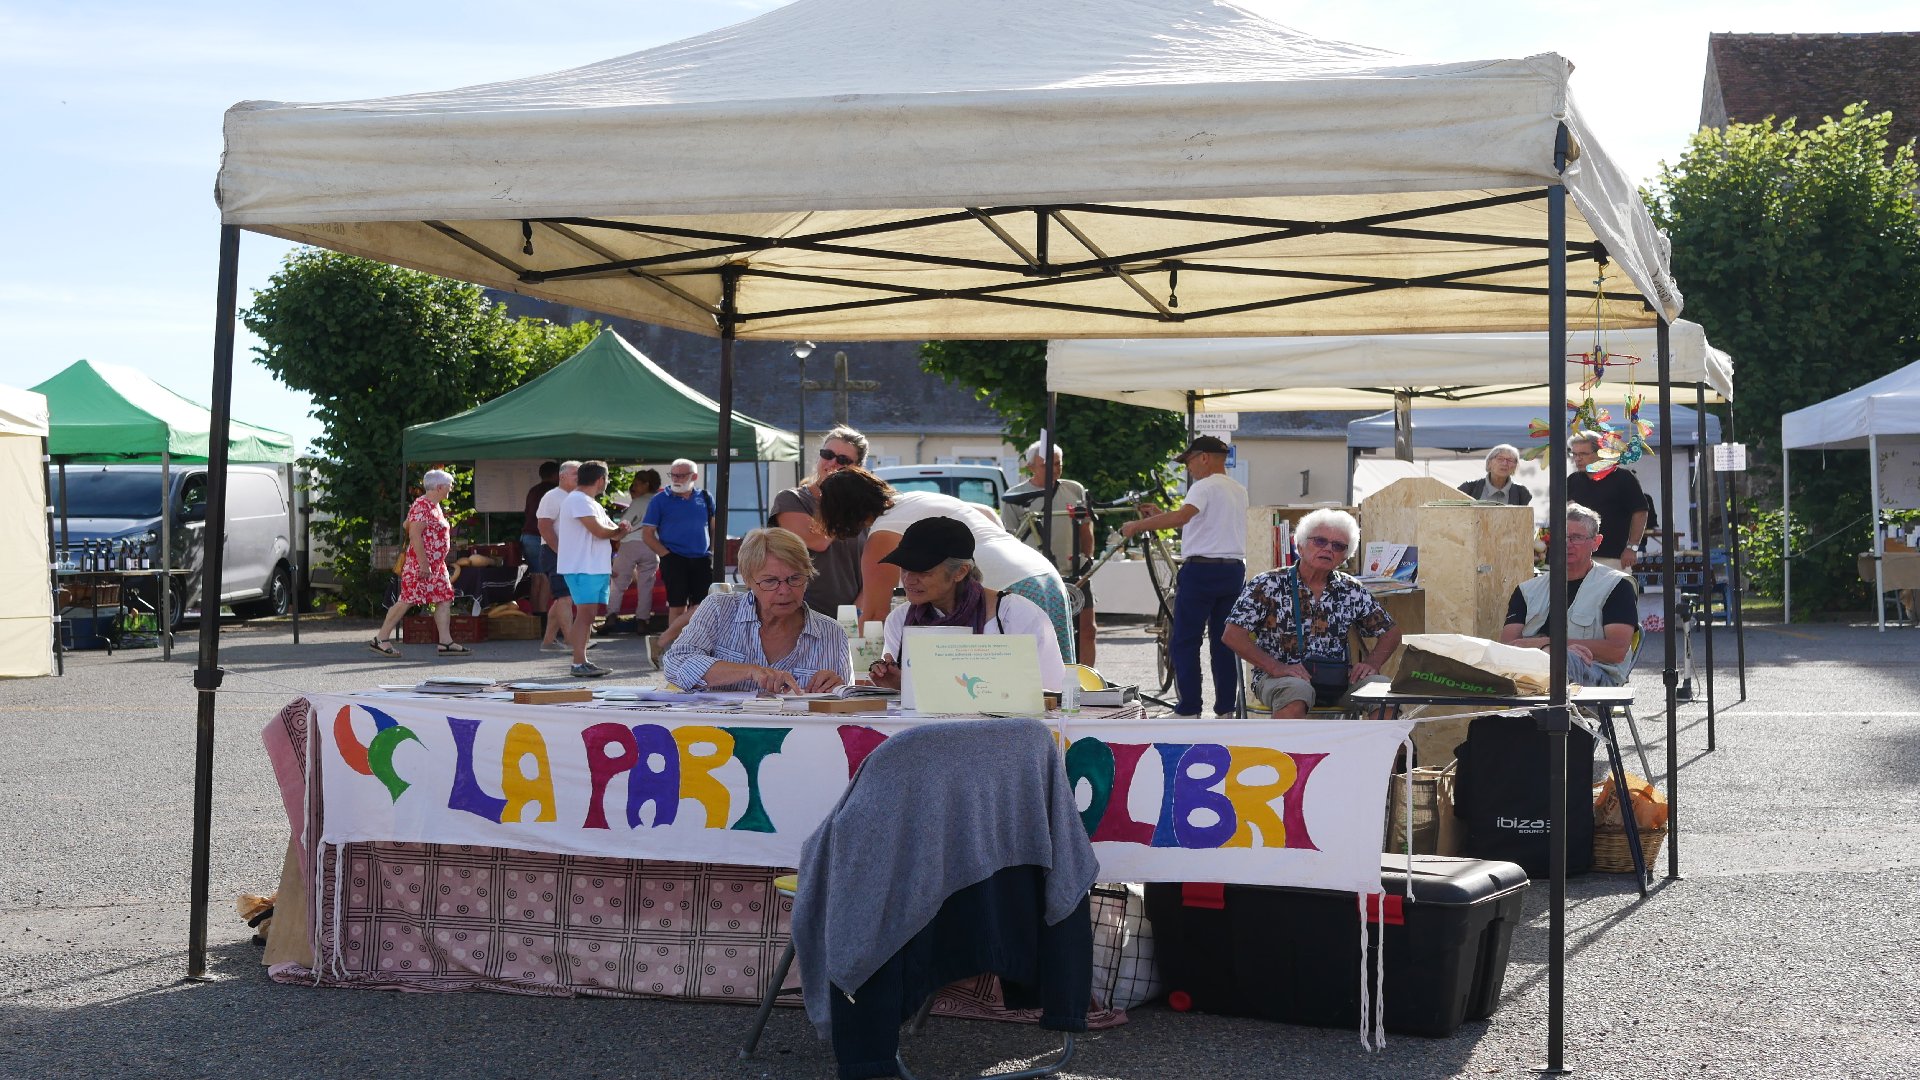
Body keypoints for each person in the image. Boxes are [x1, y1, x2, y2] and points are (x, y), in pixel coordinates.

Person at [817, 466, 1073, 663]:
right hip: (1045, 575)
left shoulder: (882, 536)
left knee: (1021, 686)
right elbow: (986, 512)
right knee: (1060, 686)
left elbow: (874, 617)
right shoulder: (917, 499)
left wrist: (853, 664)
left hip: (1009, 585)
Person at [1224, 509, 1400, 717]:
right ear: (1300, 546)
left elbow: (1391, 632)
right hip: (1280, 678)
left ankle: (1378, 741)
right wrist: (1275, 667)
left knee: (1383, 692)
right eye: (1320, 541)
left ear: (1344, 556)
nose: (1328, 549)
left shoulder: (1351, 589)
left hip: (1337, 681)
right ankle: (1285, 741)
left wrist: (1372, 664)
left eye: (1338, 546)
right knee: (1296, 691)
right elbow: (1232, 635)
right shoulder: (1268, 584)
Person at [1119, 436, 1248, 718]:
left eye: (1189, 461)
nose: (1188, 468)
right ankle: (1226, 709)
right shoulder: (1238, 490)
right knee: (1224, 643)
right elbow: (1200, 525)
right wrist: (1161, 516)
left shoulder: (1203, 486)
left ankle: (1189, 708)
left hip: (1201, 571)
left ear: (1204, 457)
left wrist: (1138, 525)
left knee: (1186, 641)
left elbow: (1182, 518)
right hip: (1233, 570)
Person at [864, 516, 1066, 694]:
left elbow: (1051, 694)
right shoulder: (899, 620)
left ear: (960, 572)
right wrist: (896, 685)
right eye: (904, 569)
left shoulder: (1015, 615)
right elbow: (903, 698)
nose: (909, 580)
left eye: (922, 571)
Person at [662, 527, 850, 693]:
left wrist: (837, 689)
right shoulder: (719, 609)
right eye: (770, 581)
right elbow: (676, 662)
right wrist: (749, 671)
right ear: (748, 580)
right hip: (721, 723)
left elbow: (846, 708)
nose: (784, 591)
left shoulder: (831, 633)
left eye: (795, 578)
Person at [1501, 502, 1639, 687]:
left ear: (1596, 542)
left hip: (1597, 675)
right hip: (1532, 672)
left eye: (1576, 537)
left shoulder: (1616, 585)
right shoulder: (1527, 590)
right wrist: (1549, 648)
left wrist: (1551, 645)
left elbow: (1616, 651)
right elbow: (1507, 647)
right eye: (1561, 536)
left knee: (1561, 660)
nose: (1567, 543)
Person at [1001, 437, 1099, 664]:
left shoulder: (1074, 489)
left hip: (1075, 569)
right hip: (1037, 575)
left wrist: (1088, 558)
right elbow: (1008, 539)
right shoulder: (1015, 496)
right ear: (1031, 466)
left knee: (1088, 629)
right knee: (1044, 631)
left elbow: (1086, 528)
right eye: (1047, 465)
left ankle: (1086, 679)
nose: (1054, 469)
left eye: (1058, 464)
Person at [370, 469, 473, 657]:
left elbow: (406, 524)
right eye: (449, 486)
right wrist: (424, 564)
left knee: (444, 599)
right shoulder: (422, 505)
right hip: (421, 565)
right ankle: (381, 639)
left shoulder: (432, 505)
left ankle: (446, 642)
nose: (450, 489)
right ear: (439, 487)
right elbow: (414, 535)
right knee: (407, 600)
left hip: (436, 566)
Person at [770, 425, 869, 616]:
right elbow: (819, 541)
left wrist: (854, 614)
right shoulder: (792, 499)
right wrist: (841, 497)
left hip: (849, 618)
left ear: (857, 468)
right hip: (799, 617)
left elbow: (875, 571)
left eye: (843, 460)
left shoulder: (863, 511)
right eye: (827, 454)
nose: (832, 463)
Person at [557, 460, 633, 678]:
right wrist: (619, 530)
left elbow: (612, 533)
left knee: (588, 616)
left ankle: (581, 661)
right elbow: (601, 531)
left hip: (592, 567)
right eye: (606, 479)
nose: (606, 482)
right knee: (585, 616)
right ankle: (578, 662)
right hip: (583, 567)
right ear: (601, 480)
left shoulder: (590, 502)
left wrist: (621, 530)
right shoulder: (578, 500)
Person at [642, 458, 717, 661]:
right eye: (673, 475)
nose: (676, 479)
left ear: (694, 476)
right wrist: (666, 555)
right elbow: (647, 534)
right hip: (674, 557)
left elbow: (714, 527)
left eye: (681, 475)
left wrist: (712, 550)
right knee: (677, 606)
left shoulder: (705, 497)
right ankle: (674, 651)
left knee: (704, 606)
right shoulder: (660, 499)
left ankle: (674, 643)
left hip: (702, 558)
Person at [1568, 431, 1646, 571]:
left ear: (1600, 453)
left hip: (1613, 557)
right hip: (1578, 557)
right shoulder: (1573, 480)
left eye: (1583, 454)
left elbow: (1640, 512)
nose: (1578, 459)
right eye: (1574, 454)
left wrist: (1632, 547)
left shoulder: (1623, 477)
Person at [535, 460, 586, 652]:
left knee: (562, 598)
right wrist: (559, 551)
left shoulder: (577, 496)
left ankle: (549, 641)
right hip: (554, 552)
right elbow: (544, 526)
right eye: (575, 474)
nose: (579, 477)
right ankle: (572, 641)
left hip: (568, 553)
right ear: (562, 476)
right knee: (565, 597)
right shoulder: (552, 496)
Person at [606, 469, 662, 635]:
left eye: (637, 484)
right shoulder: (660, 501)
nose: (633, 487)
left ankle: (611, 616)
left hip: (631, 544)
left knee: (618, 582)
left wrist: (615, 536)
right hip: (653, 546)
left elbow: (625, 523)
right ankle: (642, 621)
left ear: (646, 484)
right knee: (646, 585)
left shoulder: (638, 502)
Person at [520, 460, 559, 612]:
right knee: (545, 578)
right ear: (556, 475)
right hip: (540, 537)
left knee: (536, 578)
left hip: (527, 536)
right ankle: (542, 615)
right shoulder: (553, 492)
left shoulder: (533, 490)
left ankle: (535, 615)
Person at [1458, 444, 1532, 505]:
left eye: (1510, 460)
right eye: (1500, 459)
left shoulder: (1521, 492)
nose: (1505, 463)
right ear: (1489, 463)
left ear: (1515, 466)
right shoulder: (1469, 488)